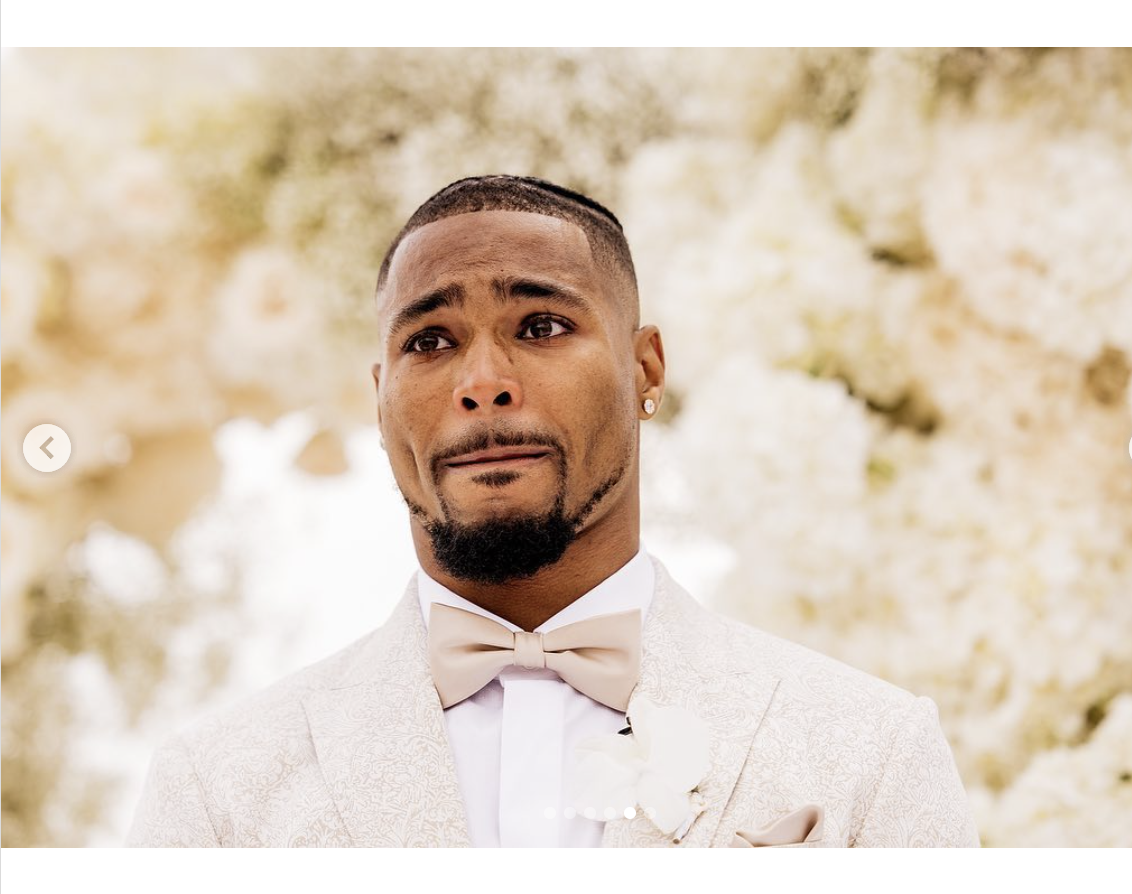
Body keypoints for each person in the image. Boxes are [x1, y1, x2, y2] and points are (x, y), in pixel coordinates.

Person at [127, 174, 980, 848]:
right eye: (429, 342)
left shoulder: (872, 749)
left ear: (646, 369)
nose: (482, 382)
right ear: (381, 398)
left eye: (539, 325)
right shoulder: (215, 790)